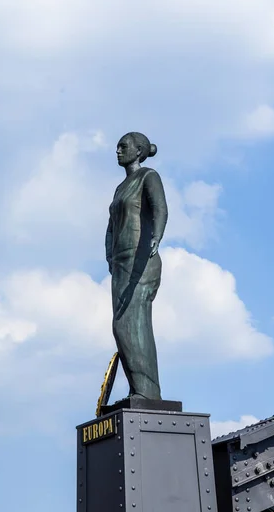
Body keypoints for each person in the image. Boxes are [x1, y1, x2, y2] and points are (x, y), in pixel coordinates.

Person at [105, 132, 168, 400]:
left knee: (135, 323)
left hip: (142, 261)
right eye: (117, 146)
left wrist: (157, 236)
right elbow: (111, 226)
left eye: (123, 147)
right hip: (120, 263)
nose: (117, 151)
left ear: (139, 151)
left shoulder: (148, 176)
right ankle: (137, 390)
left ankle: (148, 392)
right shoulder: (120, 188)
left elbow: (160, 209)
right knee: (121, 326)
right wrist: (109, 255)